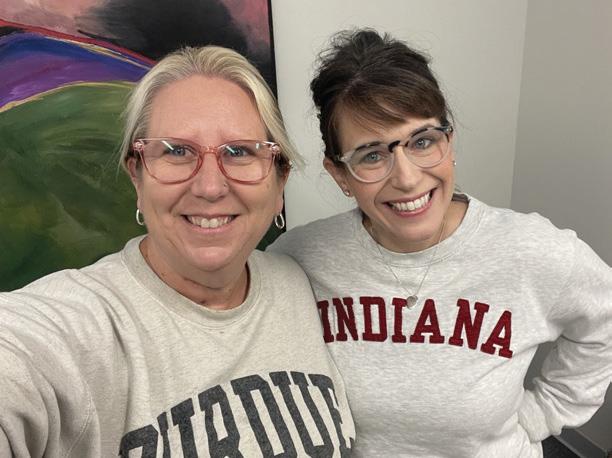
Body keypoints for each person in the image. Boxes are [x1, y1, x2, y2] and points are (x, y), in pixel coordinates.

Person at [269, 29, 612, 457]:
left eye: (422, 141)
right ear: (340, 174)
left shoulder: (529, 250)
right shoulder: (300, 259)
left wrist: (542, 414)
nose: (407, 177)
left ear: (449, 143)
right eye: (372, 155)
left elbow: (605, 317)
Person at [0, 45, 355, 456]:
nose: (210, 187)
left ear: (280, 182)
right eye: (176, 151)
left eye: (239, 151)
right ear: (137, 176)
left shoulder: (299, 284)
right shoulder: (78, 326)